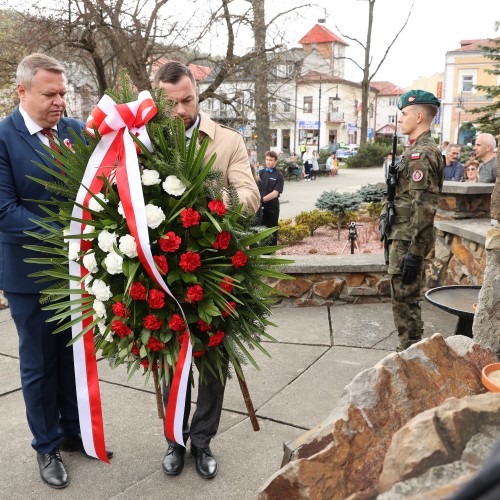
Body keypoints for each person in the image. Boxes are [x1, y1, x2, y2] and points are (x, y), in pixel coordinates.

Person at [0, 53, 114, 490]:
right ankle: (45, 446)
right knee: (38, 363)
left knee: (73, 354)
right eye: (50, 94)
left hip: (77, 271)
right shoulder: (3, 138)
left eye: (64, 94)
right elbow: (5, 211)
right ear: (22, 91)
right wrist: (71, 234)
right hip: (28, 274)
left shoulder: (72, 132)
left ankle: (72, 431)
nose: (60, 102)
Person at [154, 61, 260, 480]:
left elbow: (249, 198)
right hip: (163, 269)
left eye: (187, 100)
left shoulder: (227, 140)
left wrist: (206, 197)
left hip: (213, 269)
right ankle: (174, 440)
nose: (180, 110)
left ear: (198, 93)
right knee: (171, 360)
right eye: (171, 103)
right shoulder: (147, 141)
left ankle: (202, 441)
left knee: (212, 360)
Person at [379, 90, 444, 351]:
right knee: (402, 297)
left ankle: (411, 352)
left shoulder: (423, 154)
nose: (401, 119)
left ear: (419, 115)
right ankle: (409, 349)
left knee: (406, 298)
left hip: (408, 238)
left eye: (404, 114)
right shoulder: (415, 151)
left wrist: (415, 252)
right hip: (402, 234)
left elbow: (424, 206)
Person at [259, 150, 284, 245]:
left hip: (272, 207)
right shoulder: (261, 173)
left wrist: (262, 199)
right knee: (260, 230)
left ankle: (271, 252)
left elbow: (275, 193)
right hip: (260, 207)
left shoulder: (279, 175)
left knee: (271, 230)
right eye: (267, 159)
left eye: (271, 160)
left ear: (275, 161)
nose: (268, 162)